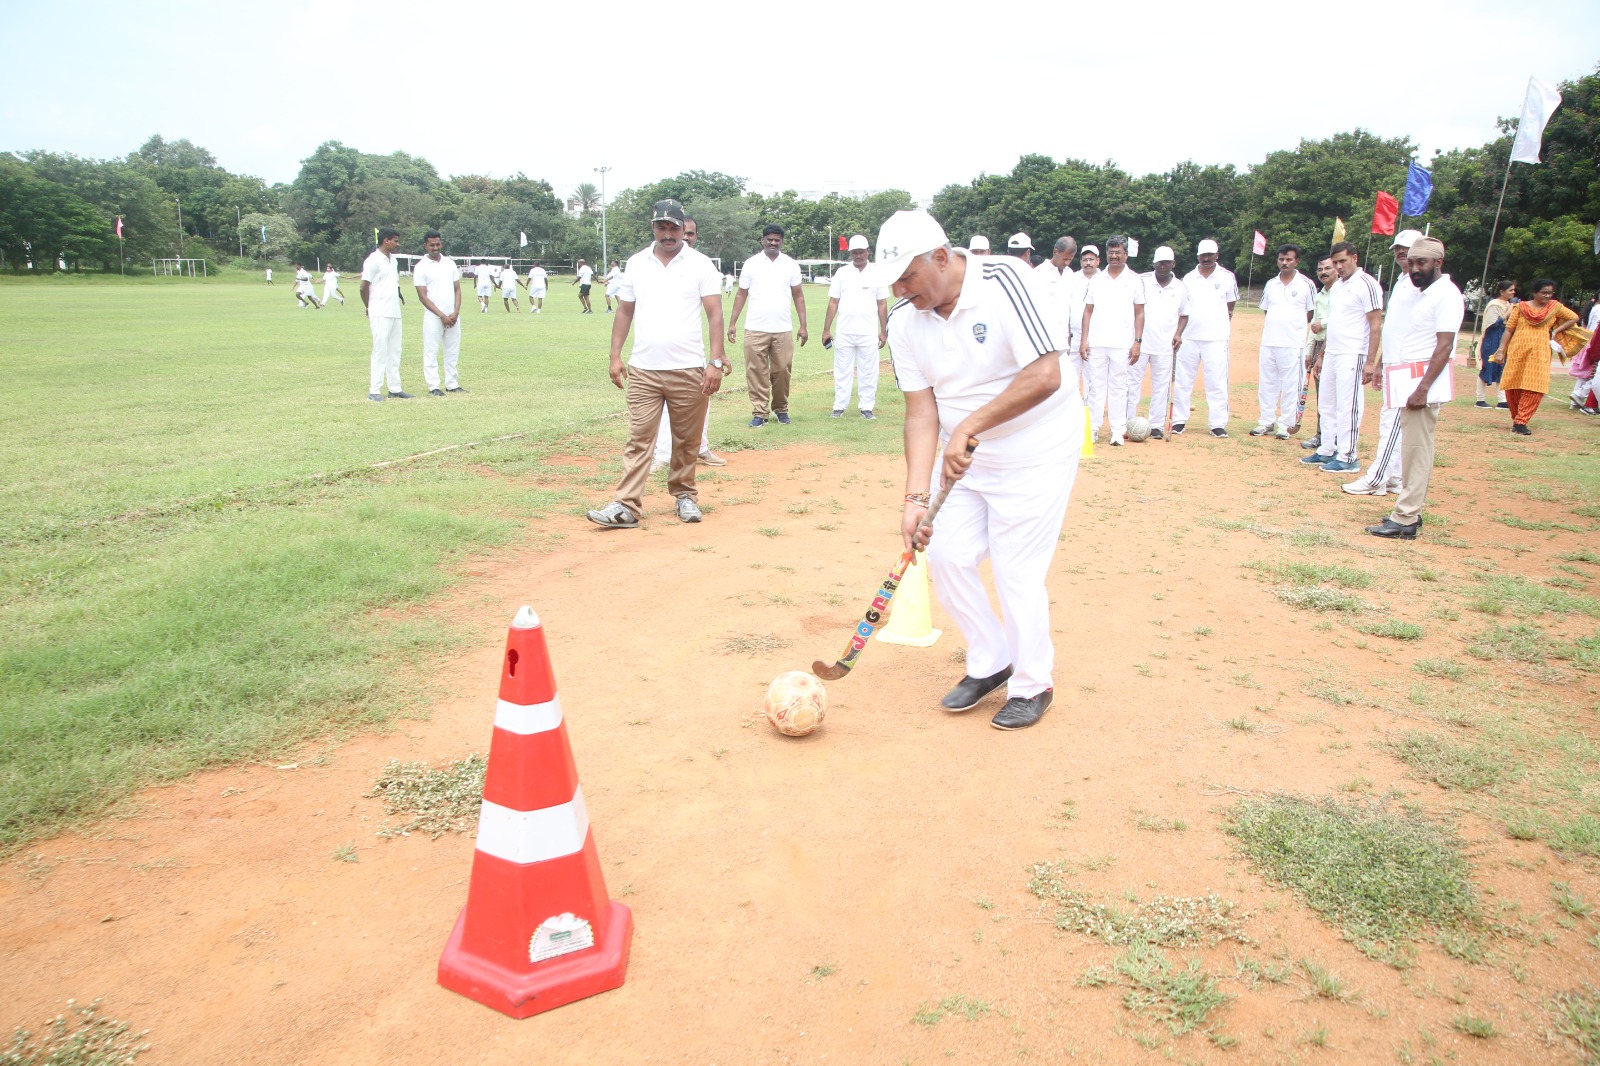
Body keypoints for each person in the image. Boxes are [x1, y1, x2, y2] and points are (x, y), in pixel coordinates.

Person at [863, 210, 1081, 731]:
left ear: (941, 257)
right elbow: (920, 412)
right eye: (892, 279)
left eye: (907, 276)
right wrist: (915, 499)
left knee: (1015, 569)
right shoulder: (903, 319)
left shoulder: (1007, 280)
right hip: (965, 454)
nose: (899, 288)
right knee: (947, 552)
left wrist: (970, 427)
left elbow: (1046, 374)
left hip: (1037, 445)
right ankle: (991, 659)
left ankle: (1033, 682)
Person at [585, 199, 726, 529]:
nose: (668, 233)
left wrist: (715, 362)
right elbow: (624, 311)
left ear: (683, 229)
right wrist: (615, 356)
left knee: (686, 440)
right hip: (645, 369)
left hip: (689, 368)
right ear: (653, 227)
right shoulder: (636, 264)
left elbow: (715, 314)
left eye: (674, 227)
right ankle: (626, 506)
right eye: (661, 227)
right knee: (640, 439)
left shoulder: (701, 264)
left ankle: (684, 496)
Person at [1359, 237, 1464, 539]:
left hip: (1423, 384)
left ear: (1438, 263)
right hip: (1408, 379)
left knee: (1417, 451)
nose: (1415, 268)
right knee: (1409, 450)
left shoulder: (1446, 294)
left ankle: (1405, 518)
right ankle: (1407, 510)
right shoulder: (1422, 293)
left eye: (1422, 263)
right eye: (1412, 263)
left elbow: (1444, 347)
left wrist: (1423, 389)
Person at [652, 215, 725, 470]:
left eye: (692, 234)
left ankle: (701, 448)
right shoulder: (657, 265)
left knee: (703, 399)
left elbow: (714, 313)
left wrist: (717, 356)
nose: (688, 238)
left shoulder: (701, 266)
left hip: (694, 352)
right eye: (687, 233)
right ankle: (662, 454)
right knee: (664, 408)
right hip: (661, 354)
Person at [1301, 241, 1381, 472]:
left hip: (1353, 352)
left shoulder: (1367, 284)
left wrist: (1370, 362)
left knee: (1348, 406)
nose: (1338, 267)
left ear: (1354, 258)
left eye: (1342, 261)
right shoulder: (1337, 287)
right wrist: (1322, 355)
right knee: (1326, 403)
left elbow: (1375, 325)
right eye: (1335, 263)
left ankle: (1348, 456)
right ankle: (1327, 449)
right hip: (1333, 352)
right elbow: (1334, 324)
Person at [727, 224, 807, 427]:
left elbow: (798, 295)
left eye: (777, 240)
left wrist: (803, 326)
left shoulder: (790, 264)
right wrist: (733, 323)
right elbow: (741, 294)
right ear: (762, 240)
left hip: (782, 329)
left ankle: (781, 409)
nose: (773, 243)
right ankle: (760, 412)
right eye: (769, 239)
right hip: (755, 328)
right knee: (756, 372)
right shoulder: (751, 264)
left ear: (782, 242)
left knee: (781, 371)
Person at [1079, 235, 1145, 445]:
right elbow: (1087, 311)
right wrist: (1084, 340)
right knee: (1095, 387)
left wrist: (1137, 342)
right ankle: (1094, 428)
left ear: (1126, 254)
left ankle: (1118, 430)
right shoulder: (1097, 279)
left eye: (1118, 252)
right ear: (1106, 254)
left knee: (1119, 387)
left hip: (1122, 344)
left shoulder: (1134, 279)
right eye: (1111, 252)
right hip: (1097, 342)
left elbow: (1139, 313)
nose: (1114, 256)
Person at [1171, 239, 1238, 436]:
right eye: (1203, 255)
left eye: (1210, 255)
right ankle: (1179, 420)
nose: (1206, 258)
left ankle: (1217, 423)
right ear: (1198, 256)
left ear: (1217, 255)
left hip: (1216, 338)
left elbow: (1230, 306)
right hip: (1189, 337)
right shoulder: (1189, 278)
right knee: (1183, 380)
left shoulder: (1227, 277)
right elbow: (1182, 308)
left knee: (1216, 381)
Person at [1498, 278, 1580, 435]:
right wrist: (1501, 350)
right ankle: (1517, 419)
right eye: (1544, 293)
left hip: (1540, 351)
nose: (1548, 296)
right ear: (1535, 292)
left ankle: (1522, 421)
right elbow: (1509, 330)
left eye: (1550, 293)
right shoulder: (1521, 308)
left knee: (1536, 386)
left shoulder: (1555, 307)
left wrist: (1556, 330)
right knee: (1514, 384)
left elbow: (1573, 317)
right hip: (1518, 351)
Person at [822, 234, 890, 419]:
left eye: (861, 252)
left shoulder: (877, 272)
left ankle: (866, 407)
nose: (858, 256)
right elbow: (833, 302)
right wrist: (826, 329)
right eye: (854, 253)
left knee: (869, 371)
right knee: (842, 371)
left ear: (868, 252)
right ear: (850, 253)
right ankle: (839, 406)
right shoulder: (842, 273)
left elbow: (882, 303)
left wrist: (883, 331)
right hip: (844, 331)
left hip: (868, 332)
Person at [1254, 244, 1317, 439]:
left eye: (1289, 259)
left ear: (1296, 261)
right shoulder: (1271, 284)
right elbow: (1267, 310)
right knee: (1267, 384)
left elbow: (1311, 312)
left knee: (1290, 385)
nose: (1284, 262)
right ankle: (1266, 421)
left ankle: (1285, 424)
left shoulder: (1306, 284)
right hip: (1269, 342)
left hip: (1293, 344)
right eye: (1281, 259)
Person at [1138, 246, 1189, 438]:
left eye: (1167, 263)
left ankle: (1156, 425)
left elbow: (1184, 315)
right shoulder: (1142, 281)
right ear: (1154, 264)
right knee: (1132, 383)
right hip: (1140, 344)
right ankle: (1129, 422)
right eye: (1160, 263)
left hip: (1165, 345)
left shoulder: (1180, 287)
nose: (1163, 266)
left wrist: (1178, 334)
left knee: (1161, 386)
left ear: (1173, 264)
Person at [360, 228, 411, 401]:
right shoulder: (373, 260)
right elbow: (363, 287)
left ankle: (395, 388)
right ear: (386, 241)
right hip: (380, 310)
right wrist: (369, 306)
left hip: (394, 311)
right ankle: (374, 391)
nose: (398, 244)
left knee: (395, 350)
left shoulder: (393, 260)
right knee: (380, 350)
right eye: (395, 241)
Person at [413, 230, 464, 397]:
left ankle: (452, 383)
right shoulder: (421, 266)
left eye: (438, 244)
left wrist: (455, 312)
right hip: (434, 316)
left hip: (453, 315)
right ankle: (433, 386)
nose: (435, 248)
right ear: (425, 246)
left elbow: (457, 289)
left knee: (452, 350)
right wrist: (441, 315)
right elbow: (422, 296)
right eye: (432, 245)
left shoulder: (449, 263)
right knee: (431, 351)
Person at [1300, 255, 1337, 448]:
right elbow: (1313, 324)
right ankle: (1321, 434)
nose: (1324, 272)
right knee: (1322, 395)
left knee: (1334, 396)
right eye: (1320, 269)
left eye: (1328, 268)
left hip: (1334, 346)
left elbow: (1340, 319)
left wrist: (1321, 324)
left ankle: (1335, 437)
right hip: (1318, 346)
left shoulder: (1341, 292)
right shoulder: (1320, 294)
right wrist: (1309, 351)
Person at [1475, 279, 1514, 408]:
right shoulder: (1494, 305)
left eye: (1514, 290)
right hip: (1491, 340)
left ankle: (1502, 400)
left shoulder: (1508, 304)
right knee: (1486, 368)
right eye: (1510, 290)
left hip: (1502, 340)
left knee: (1500, 368)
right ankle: (1480, 400)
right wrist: (1508, 312)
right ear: (1502, 291)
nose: (1513, 292)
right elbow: (1493, 324)